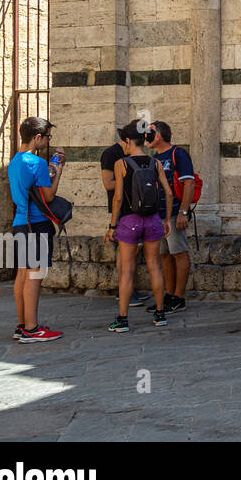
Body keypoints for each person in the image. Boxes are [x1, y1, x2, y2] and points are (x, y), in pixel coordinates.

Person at [105, 123, 173, 332]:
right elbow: (168, 193)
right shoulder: (155, 162)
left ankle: (123, 319)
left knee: (127, 270)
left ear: (127, 141)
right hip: (153, 220)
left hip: (129, 221)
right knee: (154, 266)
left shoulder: (121, 164)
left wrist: (112, 226)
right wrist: (167, 219)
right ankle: (160, 314)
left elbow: (117, 198)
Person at [9, 117, 64, 343]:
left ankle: (22, 325)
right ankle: (32, 329)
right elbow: (48, 196)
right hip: (37, 224)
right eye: (47, 136)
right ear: (37, 137)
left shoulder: (14, 160)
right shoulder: (37, 163)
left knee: (23, 273)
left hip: (20, 222)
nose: (48, 140)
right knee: (35, 276)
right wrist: (57, 171)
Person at [146, 120, 195, 314]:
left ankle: (179, 297)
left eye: (149, 134)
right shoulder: (153, 158)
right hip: (158, 215)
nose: (145, 138)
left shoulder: (178, 154)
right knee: (164, 255)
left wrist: (184, 212)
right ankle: (169, 294)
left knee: (179, 253)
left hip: (175, 214)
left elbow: (189, 183)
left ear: (158, 136)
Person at [101, 132, 147, 309]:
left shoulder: (133, 155)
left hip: (137, 208)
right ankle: (124, 293)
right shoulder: (111, 154)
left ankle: (129, 290)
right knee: (125, 252)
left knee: (133, 251)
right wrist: (129, 181)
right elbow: (108, 183)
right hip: (122, 210)